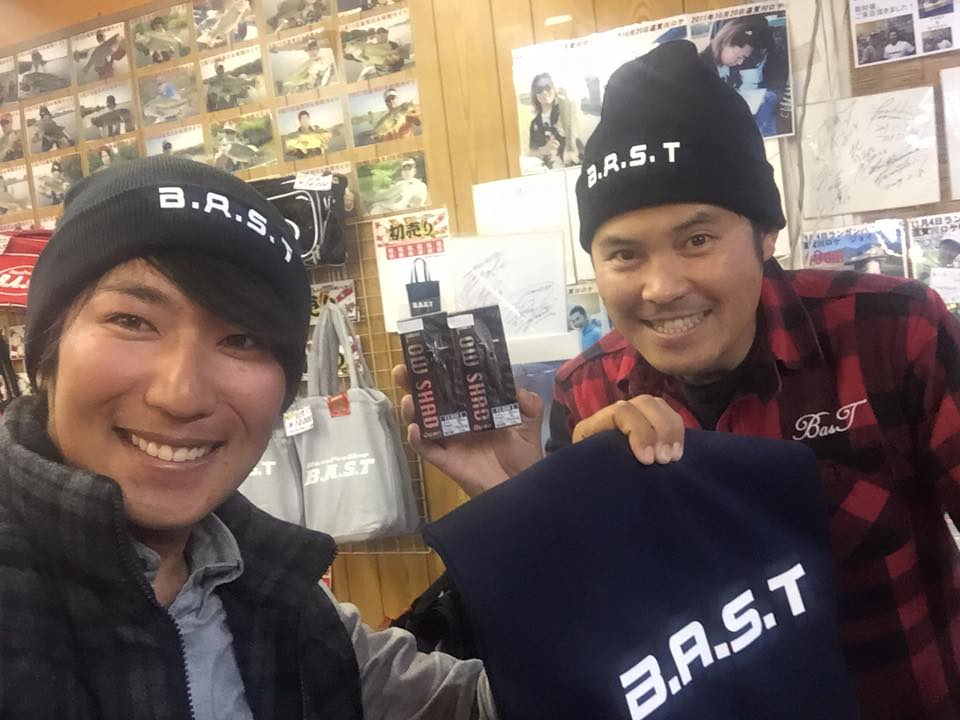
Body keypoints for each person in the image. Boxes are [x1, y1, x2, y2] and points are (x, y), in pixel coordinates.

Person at [397, 39, 960, 717]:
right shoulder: (588, 390)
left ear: (765, 235)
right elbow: (609, 628)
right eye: (624, 254)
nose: (661, 288)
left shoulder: (894, 332)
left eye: (697, 240)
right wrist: (525, 497)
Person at [0, 155, 497, 719]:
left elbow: (486, 704)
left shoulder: (280, 596)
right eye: (132, 321)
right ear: (46, 353)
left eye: (241, 339)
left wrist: (525, 502)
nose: (182, 395)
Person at [700, 17, 779, 135]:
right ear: (726, 42)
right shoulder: (703, 67)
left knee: (770, 98)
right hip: (718, 124)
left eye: (743, 58)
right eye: (739, 57)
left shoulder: (725, 64)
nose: (740, 62)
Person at [527, 72, 580, 169]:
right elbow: (532, 153)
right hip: (550, 171)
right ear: (535, 94)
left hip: (573, 164)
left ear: (554, 89)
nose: (544, 92)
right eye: (539, 90)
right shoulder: (535, 123)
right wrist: (543, 150)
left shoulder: (565, 110)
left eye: (548, 87)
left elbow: (574, 131)